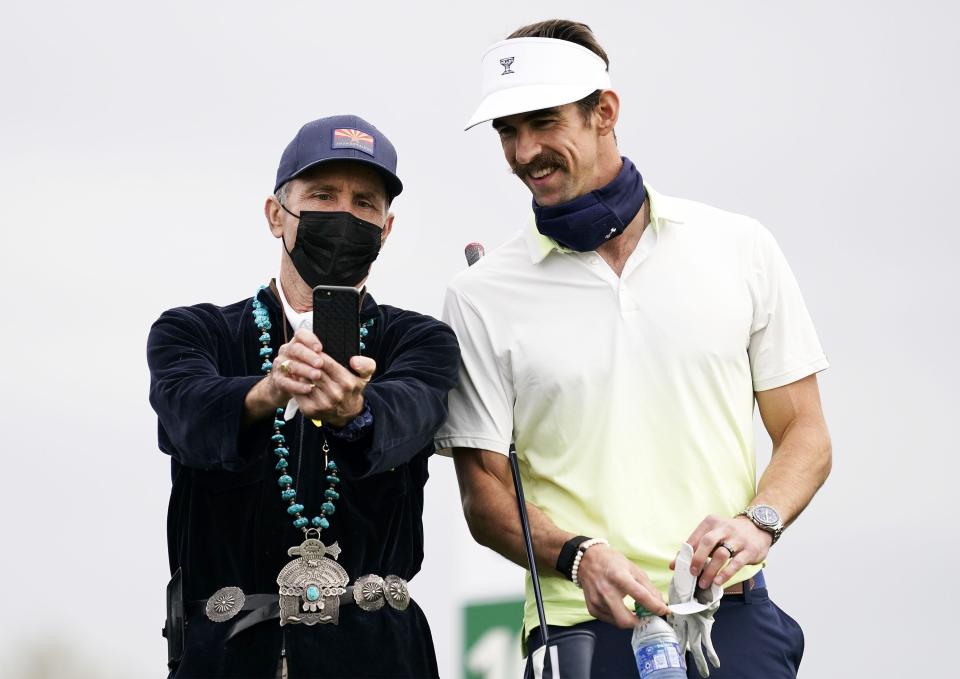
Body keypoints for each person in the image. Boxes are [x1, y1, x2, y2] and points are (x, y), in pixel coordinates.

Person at [436, 20, 831, 679]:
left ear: (605, 112)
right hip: (580, 628)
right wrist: (580, 554)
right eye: (508, 130)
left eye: (542, 121)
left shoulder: (739, 247)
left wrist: (759, 521)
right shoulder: (479, 294)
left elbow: (806, 433)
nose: (524, 149)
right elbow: (485, 495)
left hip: (728, 620)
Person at [148, 114, 459, 678]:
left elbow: (413, 412)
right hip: (229, 658)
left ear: (386, 229)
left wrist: (357, 415)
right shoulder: (195, 331)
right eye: (322, 195)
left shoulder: (419, 340)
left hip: (378, 658)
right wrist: (267, 390)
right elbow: (185, 414)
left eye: (365, 203)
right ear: (276, 214)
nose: (343, 215)